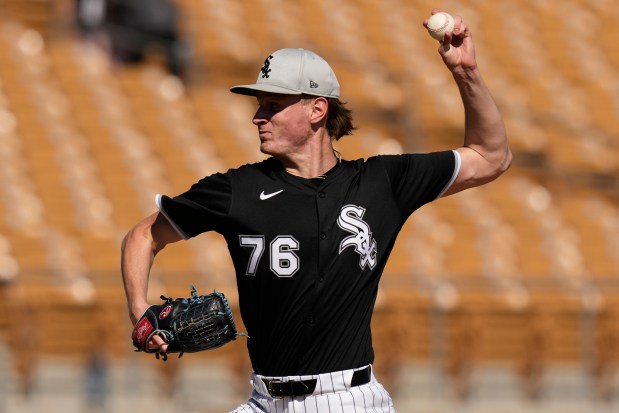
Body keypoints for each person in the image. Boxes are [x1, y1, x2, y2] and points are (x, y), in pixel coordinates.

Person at [120, 9, 511, 412]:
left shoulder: (382, 182)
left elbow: (491, 156)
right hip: (264, 400)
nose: (258, 116)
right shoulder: (236, 189)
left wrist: (467, 73)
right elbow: (144, 236)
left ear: (317, 110)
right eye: (260, 104)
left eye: (273, 104)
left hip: (348, 400)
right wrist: (138, 308)